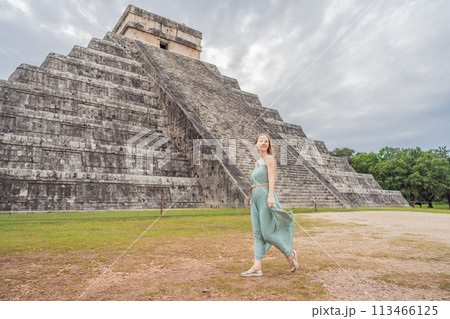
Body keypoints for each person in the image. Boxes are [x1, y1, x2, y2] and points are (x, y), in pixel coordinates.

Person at [241, 133, 298, 277]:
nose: (263, 143)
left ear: (268, 145)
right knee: (257, 233)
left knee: (267, 233)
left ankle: (289, 254)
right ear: (256, 144)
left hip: (266, 196)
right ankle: (257, 267)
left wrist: (271, 195)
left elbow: (272, 178)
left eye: (266, 141)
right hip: (255, 197)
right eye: (261, 140)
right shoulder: (257, 162)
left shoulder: (269, 159)